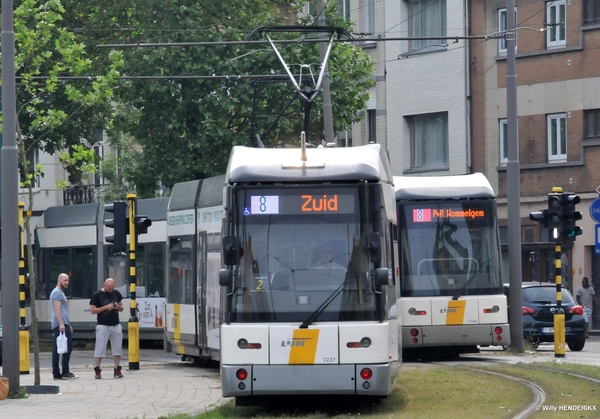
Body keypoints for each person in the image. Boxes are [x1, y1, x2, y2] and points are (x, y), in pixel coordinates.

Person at [90, 278, 124, 379]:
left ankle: (117, 368)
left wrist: (117, 306)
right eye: (109, 288)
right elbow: (93, 310)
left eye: (112, 288)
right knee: (100, 348)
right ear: (104, 285)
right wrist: (106, 307)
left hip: (115, 324)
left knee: (117, 348)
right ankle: (97, 369)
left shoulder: (116, 293)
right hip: (103, 325)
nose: (110, 290)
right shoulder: (97, 295)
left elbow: (122, 308)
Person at [50, 273, 78, 380]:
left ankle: (58, 372)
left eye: (68, 280)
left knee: (60, 347)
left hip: (62, 323)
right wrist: (62, 324)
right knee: (64, 347)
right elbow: (58, 309)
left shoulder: (59, 292)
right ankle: (63, 372)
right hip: (59, 324)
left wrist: (67, 324)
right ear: (59, 281)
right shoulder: (57, 293)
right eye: (65, 280)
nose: (67, 282)